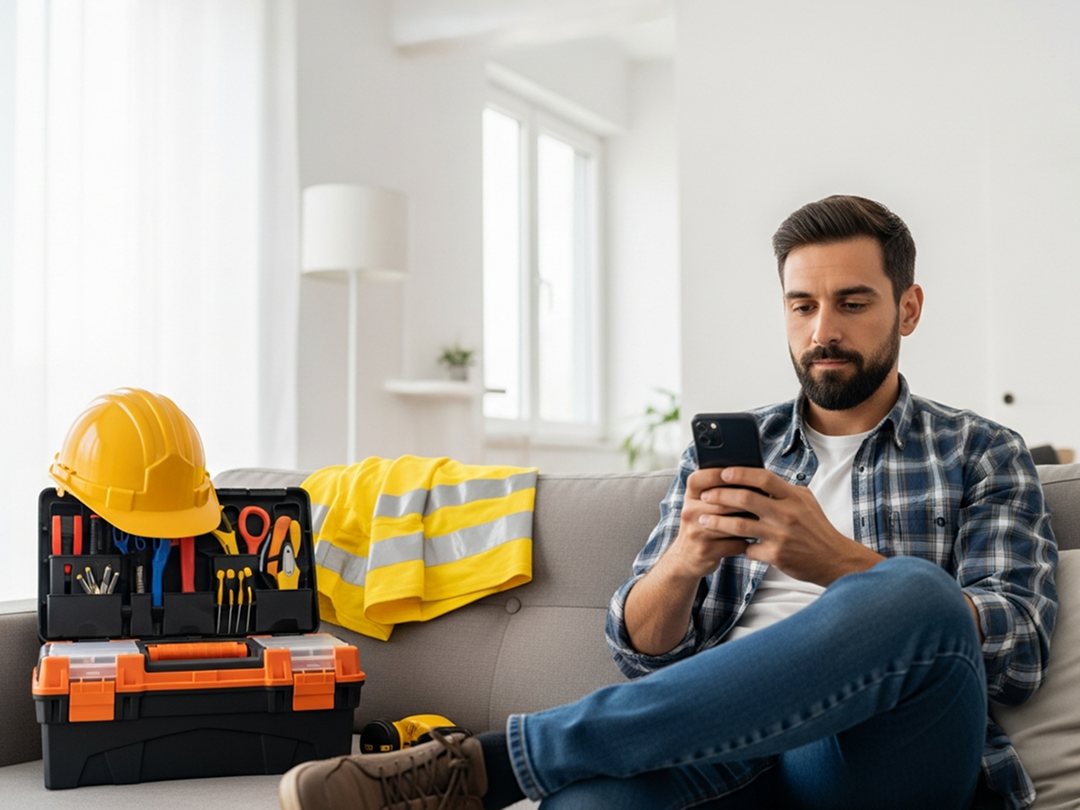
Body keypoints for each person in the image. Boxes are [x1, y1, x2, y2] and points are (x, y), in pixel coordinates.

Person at [278, 195, 1058, 810]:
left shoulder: (983, 452)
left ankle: (489, 764)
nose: (824, 330)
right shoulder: (727, 453)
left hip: (873, 757)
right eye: (802, 305)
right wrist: (683, 561)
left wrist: (839, 564)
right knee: (587, 804)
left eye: (852, 303)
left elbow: (1016, 649)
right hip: (726, 741)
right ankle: (521, 771)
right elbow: (639, 650)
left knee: (916, 595)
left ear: (908, 309)